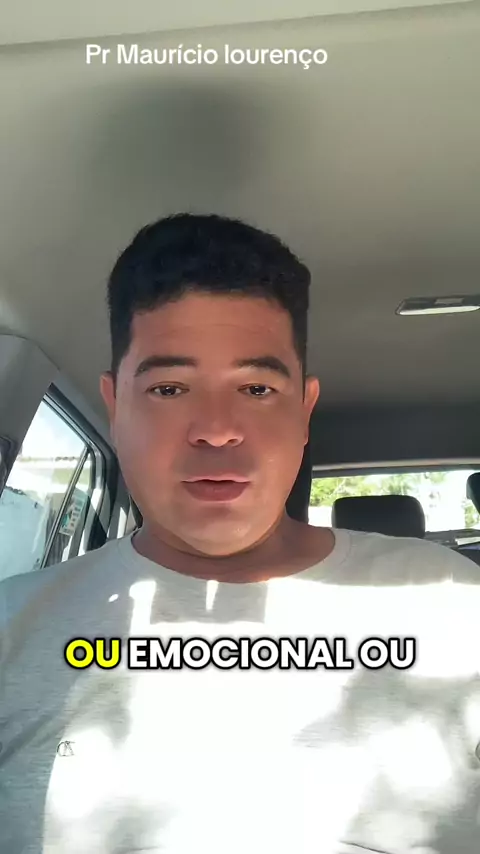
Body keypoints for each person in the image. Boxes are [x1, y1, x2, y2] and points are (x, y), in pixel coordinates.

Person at [0, 213, 479, 854]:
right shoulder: (12, 629)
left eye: (256, 387)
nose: (217, 429)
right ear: (115, 408)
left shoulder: (454, 605)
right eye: (170, 388)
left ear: (303, 410)